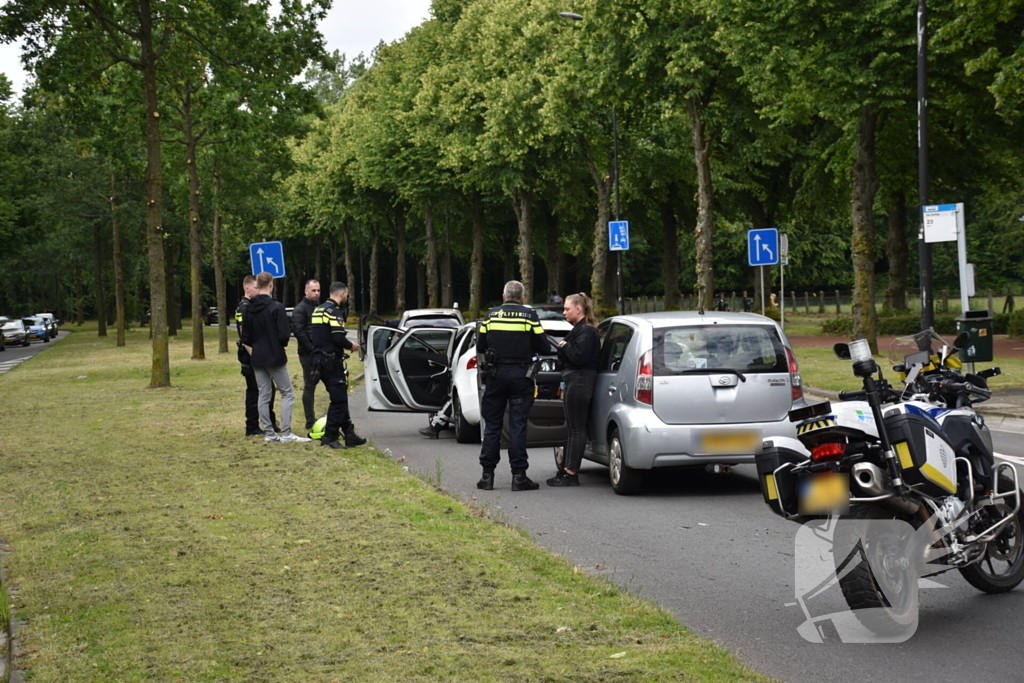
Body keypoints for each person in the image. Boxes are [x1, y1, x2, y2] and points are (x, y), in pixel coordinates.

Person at [476, 280, 555, 491]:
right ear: (521, 298)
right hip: (521, 376)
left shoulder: (490, 315)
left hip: (495, 375)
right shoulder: (529, 316)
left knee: (492, 425)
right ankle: (519, 477)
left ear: (504, 296)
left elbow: (481, 345)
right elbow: (545, 346)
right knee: (518, 425)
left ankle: (487, 477)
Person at [240, 272, 309, 444]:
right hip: (274, 356)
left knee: (263, 394)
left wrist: (256, 350)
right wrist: (278, 345)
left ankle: (269, 433)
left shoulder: (248, 308)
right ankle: (286, 432)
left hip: (256, 357)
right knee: (288, 393)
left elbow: (246, 338)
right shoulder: (276, 307)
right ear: (271, 284)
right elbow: (284, 334)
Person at [547, 293, 600, 487]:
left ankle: (571, 473)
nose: (564, 312)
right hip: (576, 380)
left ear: (578, 309)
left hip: (580, 380)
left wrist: (564, 346)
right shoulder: (581, 330)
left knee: (577, 429)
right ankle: (566, 470)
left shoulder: (586, 331)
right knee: (572, 428)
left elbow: (580, 357)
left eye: (567, 309)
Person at [311, 281, 367, 449]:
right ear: (342, 294)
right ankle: (330, 436)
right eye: (347, 295)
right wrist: (352, 346)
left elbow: (321, 335)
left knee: (340, 397)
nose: (347, 298)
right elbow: (337, 337)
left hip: (319, 360)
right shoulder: (335, 312)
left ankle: (349, 434)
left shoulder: (318, 309)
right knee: (339, 399)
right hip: (331, 361)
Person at [236, 275, 277, 437]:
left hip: (257, 356)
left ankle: (270, 423)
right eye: (255, 288)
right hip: (251, 358)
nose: (258, 291)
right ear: (247, 288)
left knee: (267, 390)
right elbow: (244, 337)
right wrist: (257, 357)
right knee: (255, 391)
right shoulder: (244, 307)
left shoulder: (252, 305)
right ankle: (252, 426)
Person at [291, 279, 322, 431]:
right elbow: (298, 331)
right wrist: (311, 348)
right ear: (306, 291)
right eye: (313, 290)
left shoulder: (319, 307)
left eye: (318, 290)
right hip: (307, 354)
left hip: (321, 352)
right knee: (310, 386)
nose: (316, 293)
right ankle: (310, 420)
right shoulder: (300, 309)